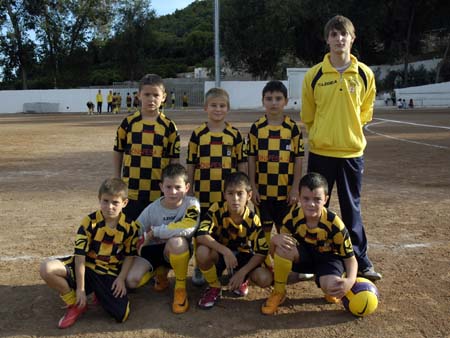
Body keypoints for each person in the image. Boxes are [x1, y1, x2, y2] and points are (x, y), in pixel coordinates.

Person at [300, 14, 381, 281]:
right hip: (321, 153)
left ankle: (360, 259)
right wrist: (325, 134)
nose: (339, 39)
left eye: (343, 34)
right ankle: (310, 259)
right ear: (327, 40)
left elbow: (365, 113)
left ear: (352, 38)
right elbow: (309, 115)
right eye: (334, 35)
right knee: (313, 207)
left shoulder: (365, 74)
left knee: (351, 209)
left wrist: (347, 134)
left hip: (351, 154)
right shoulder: (314, 75)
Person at [39, 178, 140, 328]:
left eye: (115, 202)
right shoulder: (89, 222)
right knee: (47, 269)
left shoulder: (131, 227)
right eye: (105, 201)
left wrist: (120, 278)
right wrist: (80, 289)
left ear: (124, 203)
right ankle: (75, 304)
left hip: (108, 272)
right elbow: (80, 257)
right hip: (86, 267)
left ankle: (99, 293)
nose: (109, 207)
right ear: (99, 199)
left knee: (121, 314)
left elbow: (129, 256)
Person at [261, 172, 357, 315]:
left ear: (326, 199)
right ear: (299, 198)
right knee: (283, 247)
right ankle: (279, 292)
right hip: (304, 257)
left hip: (327, 260)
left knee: (332, 287)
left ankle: (329, 281)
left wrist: (350, 281)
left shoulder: (335, 225)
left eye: (317, 199)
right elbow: (274, 253)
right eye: (306, 198)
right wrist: (274, 240)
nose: (311, 204)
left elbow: (350, 259)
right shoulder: (292, 219)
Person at [187, 87, 248, 286]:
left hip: (228, 196)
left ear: (228, 108)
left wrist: (245, 188)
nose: (218, 109)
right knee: (202, 230)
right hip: (204, 195)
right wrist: (190, 189)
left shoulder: (234, 135)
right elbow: (191, 164)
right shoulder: (198, 134)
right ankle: (200, 264)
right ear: (206, 108)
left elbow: (242, 164)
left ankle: (232, 264)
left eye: (222, 106)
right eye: (213, 105)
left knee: (229, 228)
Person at [126, 164, 200, 314]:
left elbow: (188, 227)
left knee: (176, 241)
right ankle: (159, 272)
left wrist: (155, 232)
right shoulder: (152, 209)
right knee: (132, 281)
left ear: (187, 187)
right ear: (161, 187)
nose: (173, 192)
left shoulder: (192, 203)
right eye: (168, 187)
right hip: (152, 251)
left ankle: (180, 288)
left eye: (178, 187)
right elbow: (136, 230)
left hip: (175, 249)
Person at [195, 172, 273, 309]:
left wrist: (243, 272)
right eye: (230, 193)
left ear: (248, 196)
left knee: (265, 279)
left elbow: (261, 252)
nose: (235, 199)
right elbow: (201, 234)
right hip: (220, 255)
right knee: (202, 251)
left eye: (240, 193)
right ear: (224, 194)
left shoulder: (253, 219)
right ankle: (214, 286)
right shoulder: (216, 209)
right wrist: (225, 251)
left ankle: (242, 279)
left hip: (242, 257)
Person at [113, 73, 180, 221]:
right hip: (131, 190)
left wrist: (171, 184)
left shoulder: (169, 127)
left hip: (158, 191)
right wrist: (117, 177)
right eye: (147, 94)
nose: (151, 99)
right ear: (139, 96)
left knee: (155, 234)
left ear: (163, 97)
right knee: (131, 231)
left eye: (156, 95)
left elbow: (174, 159)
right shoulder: (128, 123)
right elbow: (118, 151)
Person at [248, 80, 304, 248]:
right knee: (263, 228)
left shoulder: (292, 128)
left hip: (285, 191)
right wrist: (253, 186)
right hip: (262, 191)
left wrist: (295, 188)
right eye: (269, 98)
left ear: (286, 101)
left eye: (278, 98)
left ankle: (283, 267)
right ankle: (264, 263)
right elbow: (251, 158)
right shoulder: (257, 128)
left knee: (285, 229)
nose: (273, 103)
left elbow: (298, 159)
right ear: (263, 101)